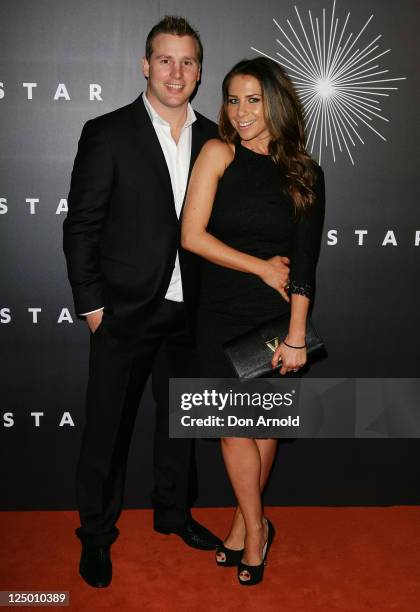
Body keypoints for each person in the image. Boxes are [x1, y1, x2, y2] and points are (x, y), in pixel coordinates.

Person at [63, 16, 230, 588]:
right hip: (125, 311)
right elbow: (82, 225)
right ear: (145, 65)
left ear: (200, 70)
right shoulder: (108, 132)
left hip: (192, 312)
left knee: (180, 427)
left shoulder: (216, 138)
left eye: (187, 61)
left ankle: (173, 514)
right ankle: (95, 537)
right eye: (165, 60)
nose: (176, 72)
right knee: (107, 429)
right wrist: (92, 304)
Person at [181, 57, 325, 585]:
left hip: (274, 319)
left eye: (253, 100)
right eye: (233, 100)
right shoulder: (218, 152)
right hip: (217, 311)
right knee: (230, 426)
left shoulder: (304, 171)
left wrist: (295, 335)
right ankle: (258, 527)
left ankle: (246, 525)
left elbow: (306, 263)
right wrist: (260, 266)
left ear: (276, 102)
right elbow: (191, 236)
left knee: (262, 427)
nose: (240, 112)